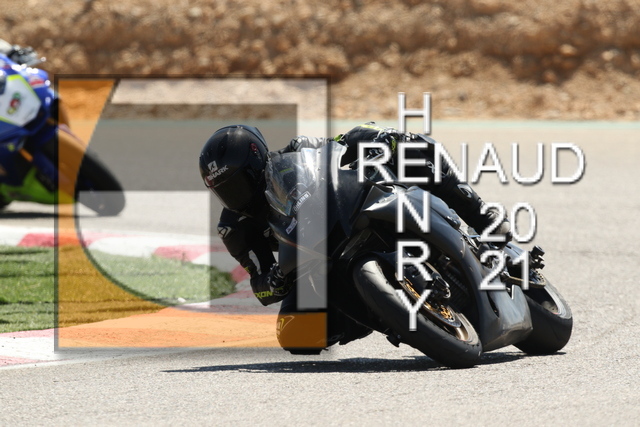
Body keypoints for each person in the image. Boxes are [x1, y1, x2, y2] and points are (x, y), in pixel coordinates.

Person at [198, 123, 510, 353]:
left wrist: (373, 140)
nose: (235, 197)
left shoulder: (297, 152)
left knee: (405, 146)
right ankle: (382, 312)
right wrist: (276, 278)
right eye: (224, 191)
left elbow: (340, 143)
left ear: (256, 165)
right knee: (295, 333)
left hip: (350, 212)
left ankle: (483, 217)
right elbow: (261, 287)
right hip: (318, 264)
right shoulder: (234, 228)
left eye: (238, 184)